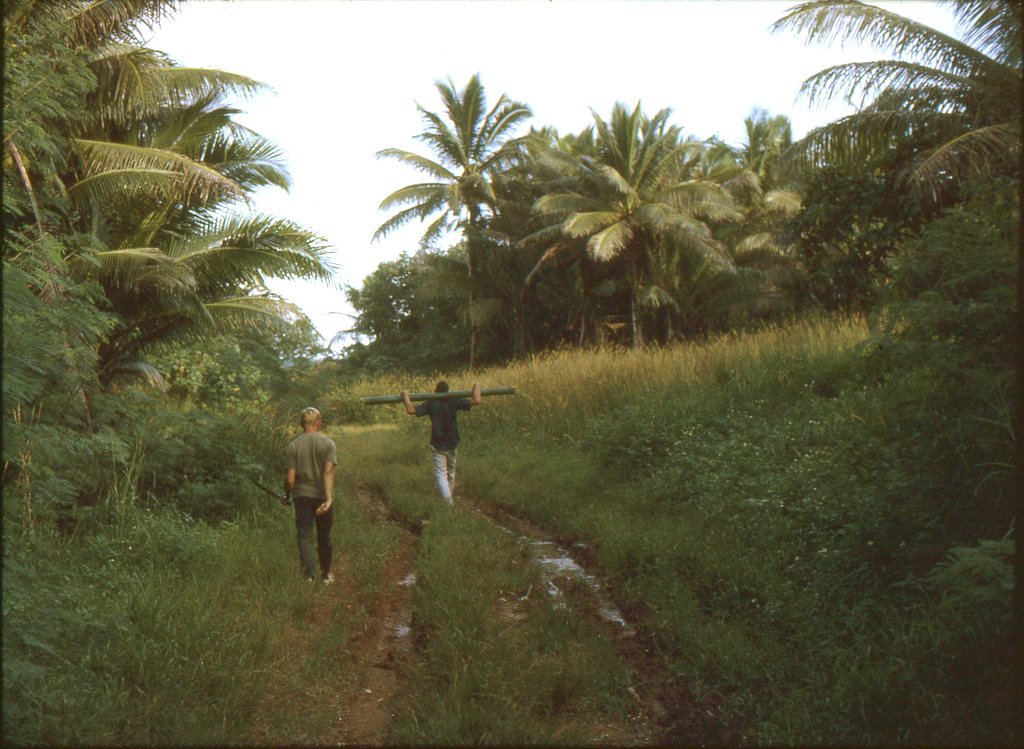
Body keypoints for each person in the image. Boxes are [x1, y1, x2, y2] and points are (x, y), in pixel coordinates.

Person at [401, 381, 482, 504]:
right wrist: (477, 386)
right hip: (453, 442)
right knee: (451, 472)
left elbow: (411, 410)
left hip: (438, 443)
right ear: (448, 391)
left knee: (441, 475)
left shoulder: (431, 403)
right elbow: (477, 401)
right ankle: (449, 500)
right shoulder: (453, 400)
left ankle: (448, 504)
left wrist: (405, 395)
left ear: (435, 391)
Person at [282, 406, 337, 583]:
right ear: (319, 424)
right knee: (324, 536)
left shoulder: (293, 446)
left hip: (302, 496)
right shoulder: (329, 444)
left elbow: (290, 480)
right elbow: (328, 473)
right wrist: (329, 499)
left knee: (304, 535)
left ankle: (309, 576)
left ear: (301, 424)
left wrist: (287, 496)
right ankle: (325, 575)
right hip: (322, 496)